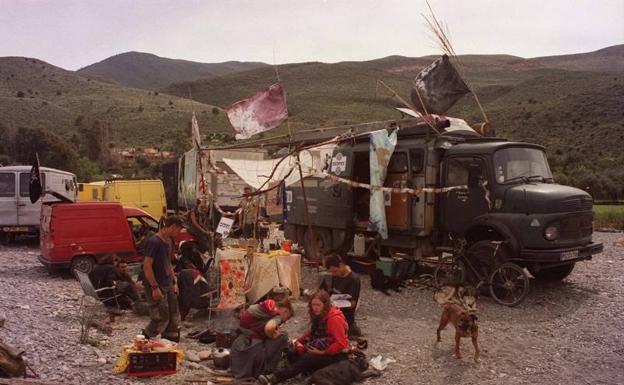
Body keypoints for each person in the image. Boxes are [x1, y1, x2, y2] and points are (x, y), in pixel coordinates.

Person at [258, 290, 349, 385]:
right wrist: (298, 342)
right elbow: (312, 333)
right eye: (313, 305)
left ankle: (274, 377)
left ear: (325, 305)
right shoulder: (320, 315)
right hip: (321, 347)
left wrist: (321, 353)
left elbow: (341, 344)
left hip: (335, 355)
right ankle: (304, 370)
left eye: (318, 305)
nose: (315, 308)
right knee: (291, 352)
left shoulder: (334, 319)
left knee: (307, 358)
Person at [142, 215, 184, 342]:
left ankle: (170, 342)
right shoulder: (154, 241)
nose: (178, 233)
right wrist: (154, 287)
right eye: (178, 230)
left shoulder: (168, 241)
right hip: (156, 283)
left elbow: (168, 263)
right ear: (172, 227)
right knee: (160, 317)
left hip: (167, 283)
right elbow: (147, 266)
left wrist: (174, 281)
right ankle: (144, 340)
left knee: (173, 315)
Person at [230, 298, 294, 379]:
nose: (285, 321)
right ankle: (268, 371)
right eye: (287, 318)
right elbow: (268, 328)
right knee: (284, 335)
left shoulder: (266, 305)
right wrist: (273, 335)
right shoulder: (277, 314)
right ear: (285, 311)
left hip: (241, 343)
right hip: (254, 347)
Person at [319, 254, 362, 338]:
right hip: (332, 310)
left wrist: (336, 303)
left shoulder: (353, 279)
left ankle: (351, 329)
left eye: (335, 271)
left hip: (344, 314)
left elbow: (352, 304)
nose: (334, 274)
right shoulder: (336, 276)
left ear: (341, 265)